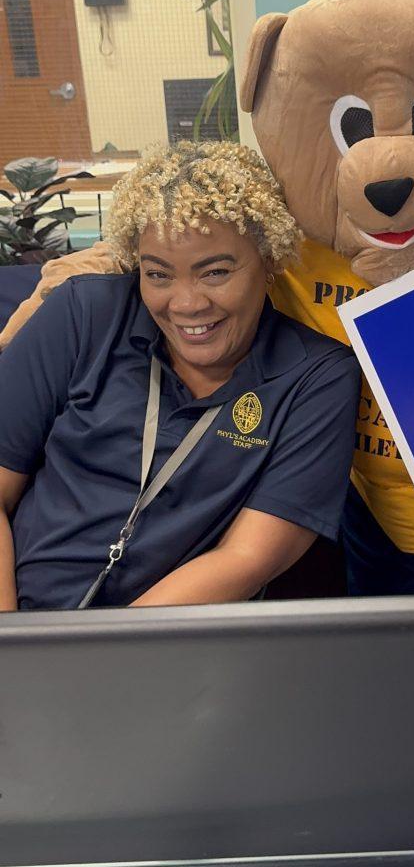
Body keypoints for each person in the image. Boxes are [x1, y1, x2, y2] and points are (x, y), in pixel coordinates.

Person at [0, 142, 360, 611]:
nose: (187, 304)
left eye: (215, 272)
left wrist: (92, 650)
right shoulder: (83, 315)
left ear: (269, 259)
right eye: (159, 275)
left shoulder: (316, 377)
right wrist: (13, 638)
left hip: (168, 639)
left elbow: (247, 558)